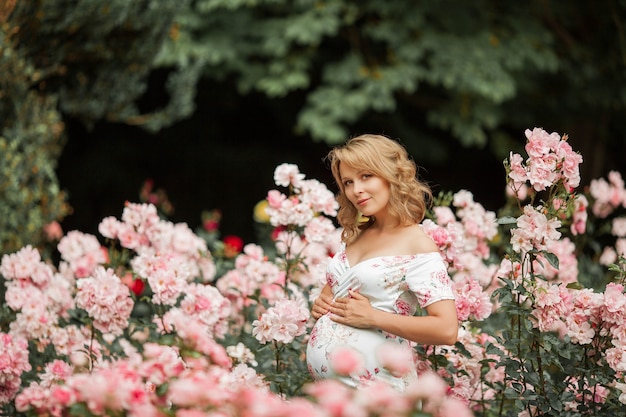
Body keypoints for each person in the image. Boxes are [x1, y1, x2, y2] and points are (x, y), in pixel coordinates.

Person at [306, 134, 458, 391]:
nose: (356, 190)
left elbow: (446, 329)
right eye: (348, 182)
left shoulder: (416, 244)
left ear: (390, 175)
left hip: (381, 393)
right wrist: (322, 303)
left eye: (366, 176)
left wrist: (373, 317)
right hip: (335, 398)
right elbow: (339, 292)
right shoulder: (356, 235)